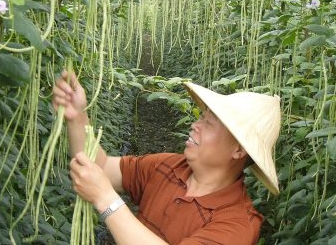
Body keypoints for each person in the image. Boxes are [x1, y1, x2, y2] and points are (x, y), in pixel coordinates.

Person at [52, 71, 281, 245]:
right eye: (200, 118)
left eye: (208, 124)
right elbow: (101, 167)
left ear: (238, 151)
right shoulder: (168, 165)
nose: (194, 125)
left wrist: (105, 199)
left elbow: (103, 188)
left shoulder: (239, 224)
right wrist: (77, 116)